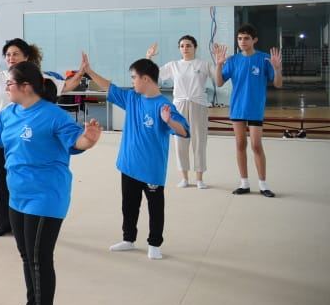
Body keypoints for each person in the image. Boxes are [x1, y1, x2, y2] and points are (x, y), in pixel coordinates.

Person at [0, 62, 102, 305]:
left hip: (46, 197)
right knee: (26, 255)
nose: (6, 88)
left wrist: (88, 140)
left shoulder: (54, 115)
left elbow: (76, 142)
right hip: (17, 195)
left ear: (26, 87)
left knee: (40, 257)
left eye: (10, 84)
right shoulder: (9, 113)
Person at [0, 38, 84, 236]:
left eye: (15, 54)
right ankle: (8, 223)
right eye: (7, 54)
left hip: (29, 136)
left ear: (26, 57)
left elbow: (65, 86)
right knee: (3, 181)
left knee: (27, 177)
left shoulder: (37, 79)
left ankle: (29, 219)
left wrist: (83, 71)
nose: (11, 58)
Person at [83, 56, 189, 260]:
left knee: (155, 208)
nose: (132, 81)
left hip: (151, 169)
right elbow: (110, 87)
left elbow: (184, 130)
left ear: (146, 79)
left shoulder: (163, 106)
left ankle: (155, 244)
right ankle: (128, 239)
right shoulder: (132, 98)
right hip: (129, 164)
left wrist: (169, 122)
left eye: (134, 77)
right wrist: (89, 71)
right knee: (129, 205)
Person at [213, 25, 284, 197]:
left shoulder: (264, 59)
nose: (242, 41)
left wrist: (277, 68)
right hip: (237, 108)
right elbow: (219, 82)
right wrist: (219, 65)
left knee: (256, 145)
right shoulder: (233, 60)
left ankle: (263, 184)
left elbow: (278, 84)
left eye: (246, 38)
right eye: (239, 38)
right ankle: (244, 183)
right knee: (240, 144)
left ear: (254, 40)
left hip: (255, 109)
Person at [146, 36, 213, 189]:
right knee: (180, 141)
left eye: (188, 45)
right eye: (182, 46)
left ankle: (199, 178)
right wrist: (149, 57)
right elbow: (155, 74)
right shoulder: (174, 65)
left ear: (195, 47)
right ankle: (184, 177)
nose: (185, 48)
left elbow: (218, 76)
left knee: (199, 141)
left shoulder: (203, 64)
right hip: (179, 105)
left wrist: (220, 61)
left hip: (198, 104)